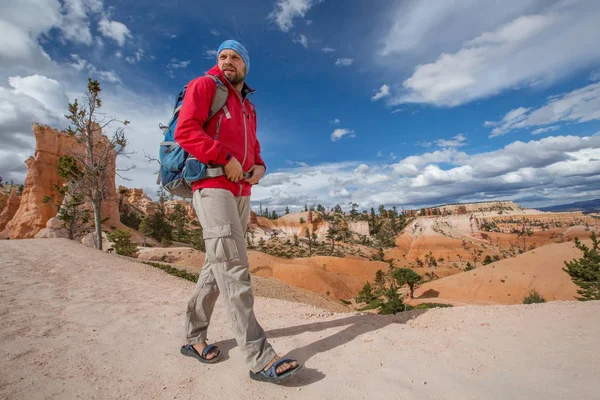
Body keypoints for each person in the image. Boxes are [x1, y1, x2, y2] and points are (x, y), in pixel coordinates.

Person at [174, 40, 302, 383]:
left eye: (235, 57)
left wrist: (260, 168)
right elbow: (185, 131)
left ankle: (192, 338)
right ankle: (259, 357)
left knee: (216, 269)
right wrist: (224, 158)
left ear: (246, 64)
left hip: (241, 191)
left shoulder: (248, 107)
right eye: (222, 56)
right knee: (233, 268)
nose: (227, 61)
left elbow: (255, 151)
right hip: (212, 186)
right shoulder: (205, 86)